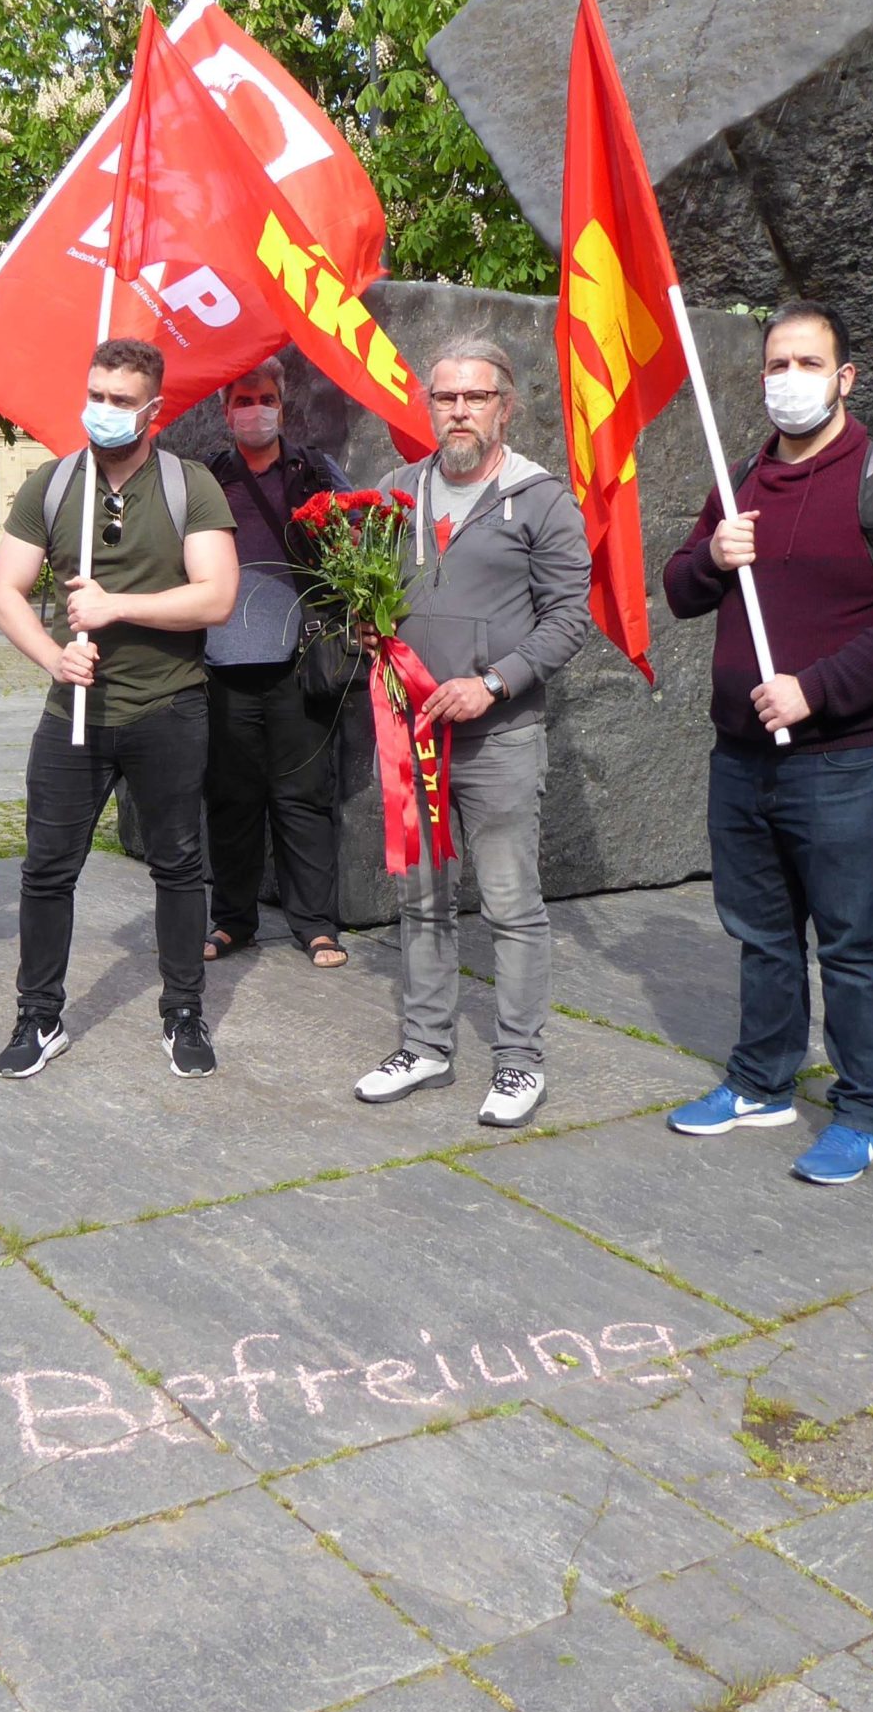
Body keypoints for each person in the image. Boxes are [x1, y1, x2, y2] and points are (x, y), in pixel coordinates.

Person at [659, 301, 873, 1183]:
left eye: (807, 363)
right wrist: (713, 553)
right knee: (761, 931)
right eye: (776, 365)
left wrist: (814, 691)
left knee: (853, 939)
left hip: (849, 757)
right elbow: (678, 591)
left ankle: (866, 1109)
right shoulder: (740, 472)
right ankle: (762, 1081)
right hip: (741, 756)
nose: (789, 380)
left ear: (844, 377)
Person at [350, 335, 592, 1130]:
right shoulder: (394, 490)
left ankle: (521, 1063)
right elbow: (375, 589)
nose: (458, 411)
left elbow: (568, 620)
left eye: (475, 397)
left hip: (499, 739)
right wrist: (367, 628)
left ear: (506, 406)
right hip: (411, 737)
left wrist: (493, 683)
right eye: (446, 397)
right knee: (418, 899)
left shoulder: (544, 499)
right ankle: (425, 1044)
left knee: (512, 905)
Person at [0, 337, 239, 1080]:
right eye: (96, 394)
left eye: (122, 401)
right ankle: (39, 1015)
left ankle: (183, 1011)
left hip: (168, 706)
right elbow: (4, 592)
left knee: (179, 867)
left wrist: (114, 606)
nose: (104, 411)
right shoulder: (53, 485)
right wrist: (52, 654)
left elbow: (215, 596)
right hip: (74, 711)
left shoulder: (190, 486)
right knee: (46, 870)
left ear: (154, 410)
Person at [202, 360, 354, 970]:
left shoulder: (314, 472)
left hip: (300, 665)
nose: (255, 408)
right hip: (223, 666)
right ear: (225, 410)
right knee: (232, 801)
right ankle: (233, 922)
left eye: (266, 398)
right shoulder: (206, 480)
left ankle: (316, 925)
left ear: (283, 407)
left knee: (304, 798)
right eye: (243, 399)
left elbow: (359, 539)